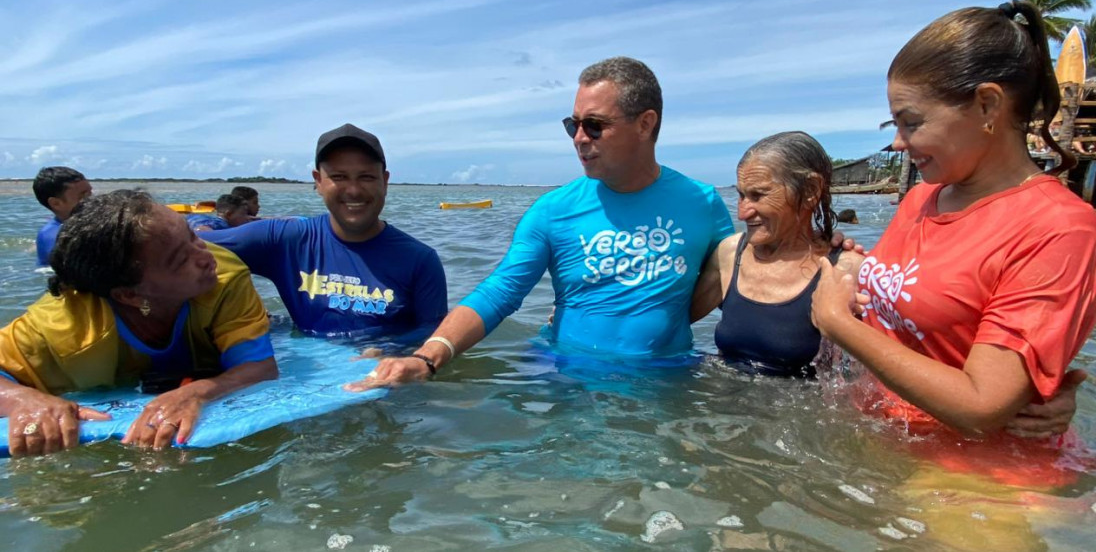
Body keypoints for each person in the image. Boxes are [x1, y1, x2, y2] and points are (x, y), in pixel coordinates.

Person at [811, 1, 1096, 440]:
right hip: (887, 443)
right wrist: (853, 272)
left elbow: (981, 405)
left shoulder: (1059, 228)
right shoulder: (923, 197)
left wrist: (838, 324)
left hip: (973, 480)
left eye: (911, 122)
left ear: (987, 104)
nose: (897, 143)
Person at [354, 56, 736, 387]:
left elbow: (741, 288)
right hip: (567, 373)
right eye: (573, 125)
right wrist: (427, 357)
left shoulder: (701, 202)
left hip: (666, 372)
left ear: (645, 124)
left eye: (595, 125)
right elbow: (500, 290)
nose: (579, 138)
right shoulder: (554, 209)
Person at [0, 190, 278, 457]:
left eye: (191, 235)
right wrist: (24, 400)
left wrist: (198, 393)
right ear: (130, 295)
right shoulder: (64, 327)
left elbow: (259, 367)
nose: (205, 256)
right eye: (181, 259)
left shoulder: (224, 276)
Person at [201, 124, 447, 339]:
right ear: (318, 181)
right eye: (339, 177)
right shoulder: (286, 241)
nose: (353, 190)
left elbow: (432, 335)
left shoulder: (420, 260)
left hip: (378, 375)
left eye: (366, 177)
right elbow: (182, 243)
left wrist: (389, 349)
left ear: (385, 181)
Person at [692, 132, 864, 377]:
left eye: (758, 195)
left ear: (810, 191)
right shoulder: (730, 254)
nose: (742, 213)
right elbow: (670, 321)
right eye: (741, 195)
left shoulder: (845, 269)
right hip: (719, 408)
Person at [32, 166, 92, 267]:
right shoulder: (56, 236)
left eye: (90, 193)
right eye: (83, 196)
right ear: (56, 203)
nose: (92, 200)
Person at [186, 194, 253, 232]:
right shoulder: (221, 225)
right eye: (244, 214)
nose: (247, 217)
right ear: (229, 214)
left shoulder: (210, 218)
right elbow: (201, 230)